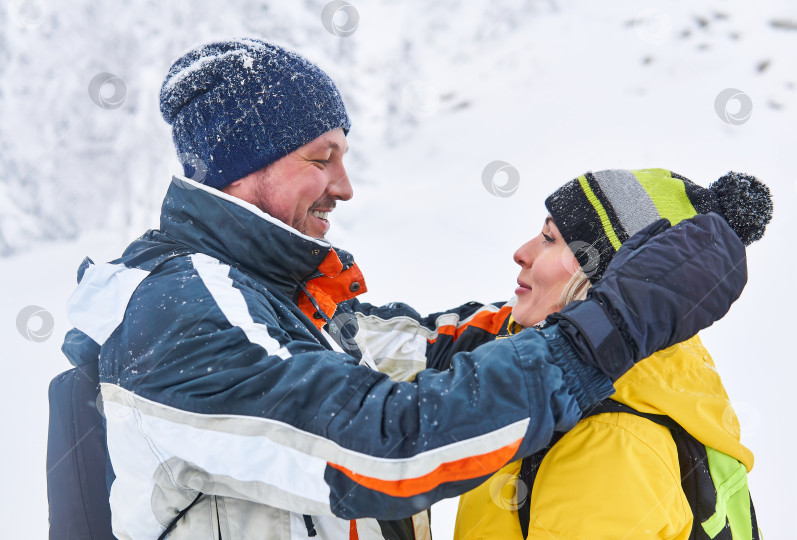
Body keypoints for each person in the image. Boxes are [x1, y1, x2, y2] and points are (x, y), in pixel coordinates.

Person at [54, 39, 747, 540]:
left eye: (343, 158)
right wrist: (612, 326)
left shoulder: (282, 304)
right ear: (244, 169)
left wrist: (589, 307)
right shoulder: (185, 312)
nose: (344, 186)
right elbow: (387, 441)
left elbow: (428, 351)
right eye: (320, 158)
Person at [453, 168, 772, 539]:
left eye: (548, 239)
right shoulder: (664, 371)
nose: (521, 253)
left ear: (605, 280)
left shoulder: (606, 443)